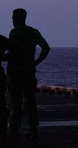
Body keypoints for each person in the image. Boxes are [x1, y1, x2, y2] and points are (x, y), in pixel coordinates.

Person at [6, 8, 50, 140]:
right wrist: (36, 62)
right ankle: (33, 129)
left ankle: (14, 130)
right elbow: (46, 48)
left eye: (13, 17)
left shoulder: (14, 32)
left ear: (16, 18)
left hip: (15, 72)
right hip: (29, 71)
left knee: (15, 102)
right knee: (30, 101)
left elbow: (12, 51)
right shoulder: (33, 32)